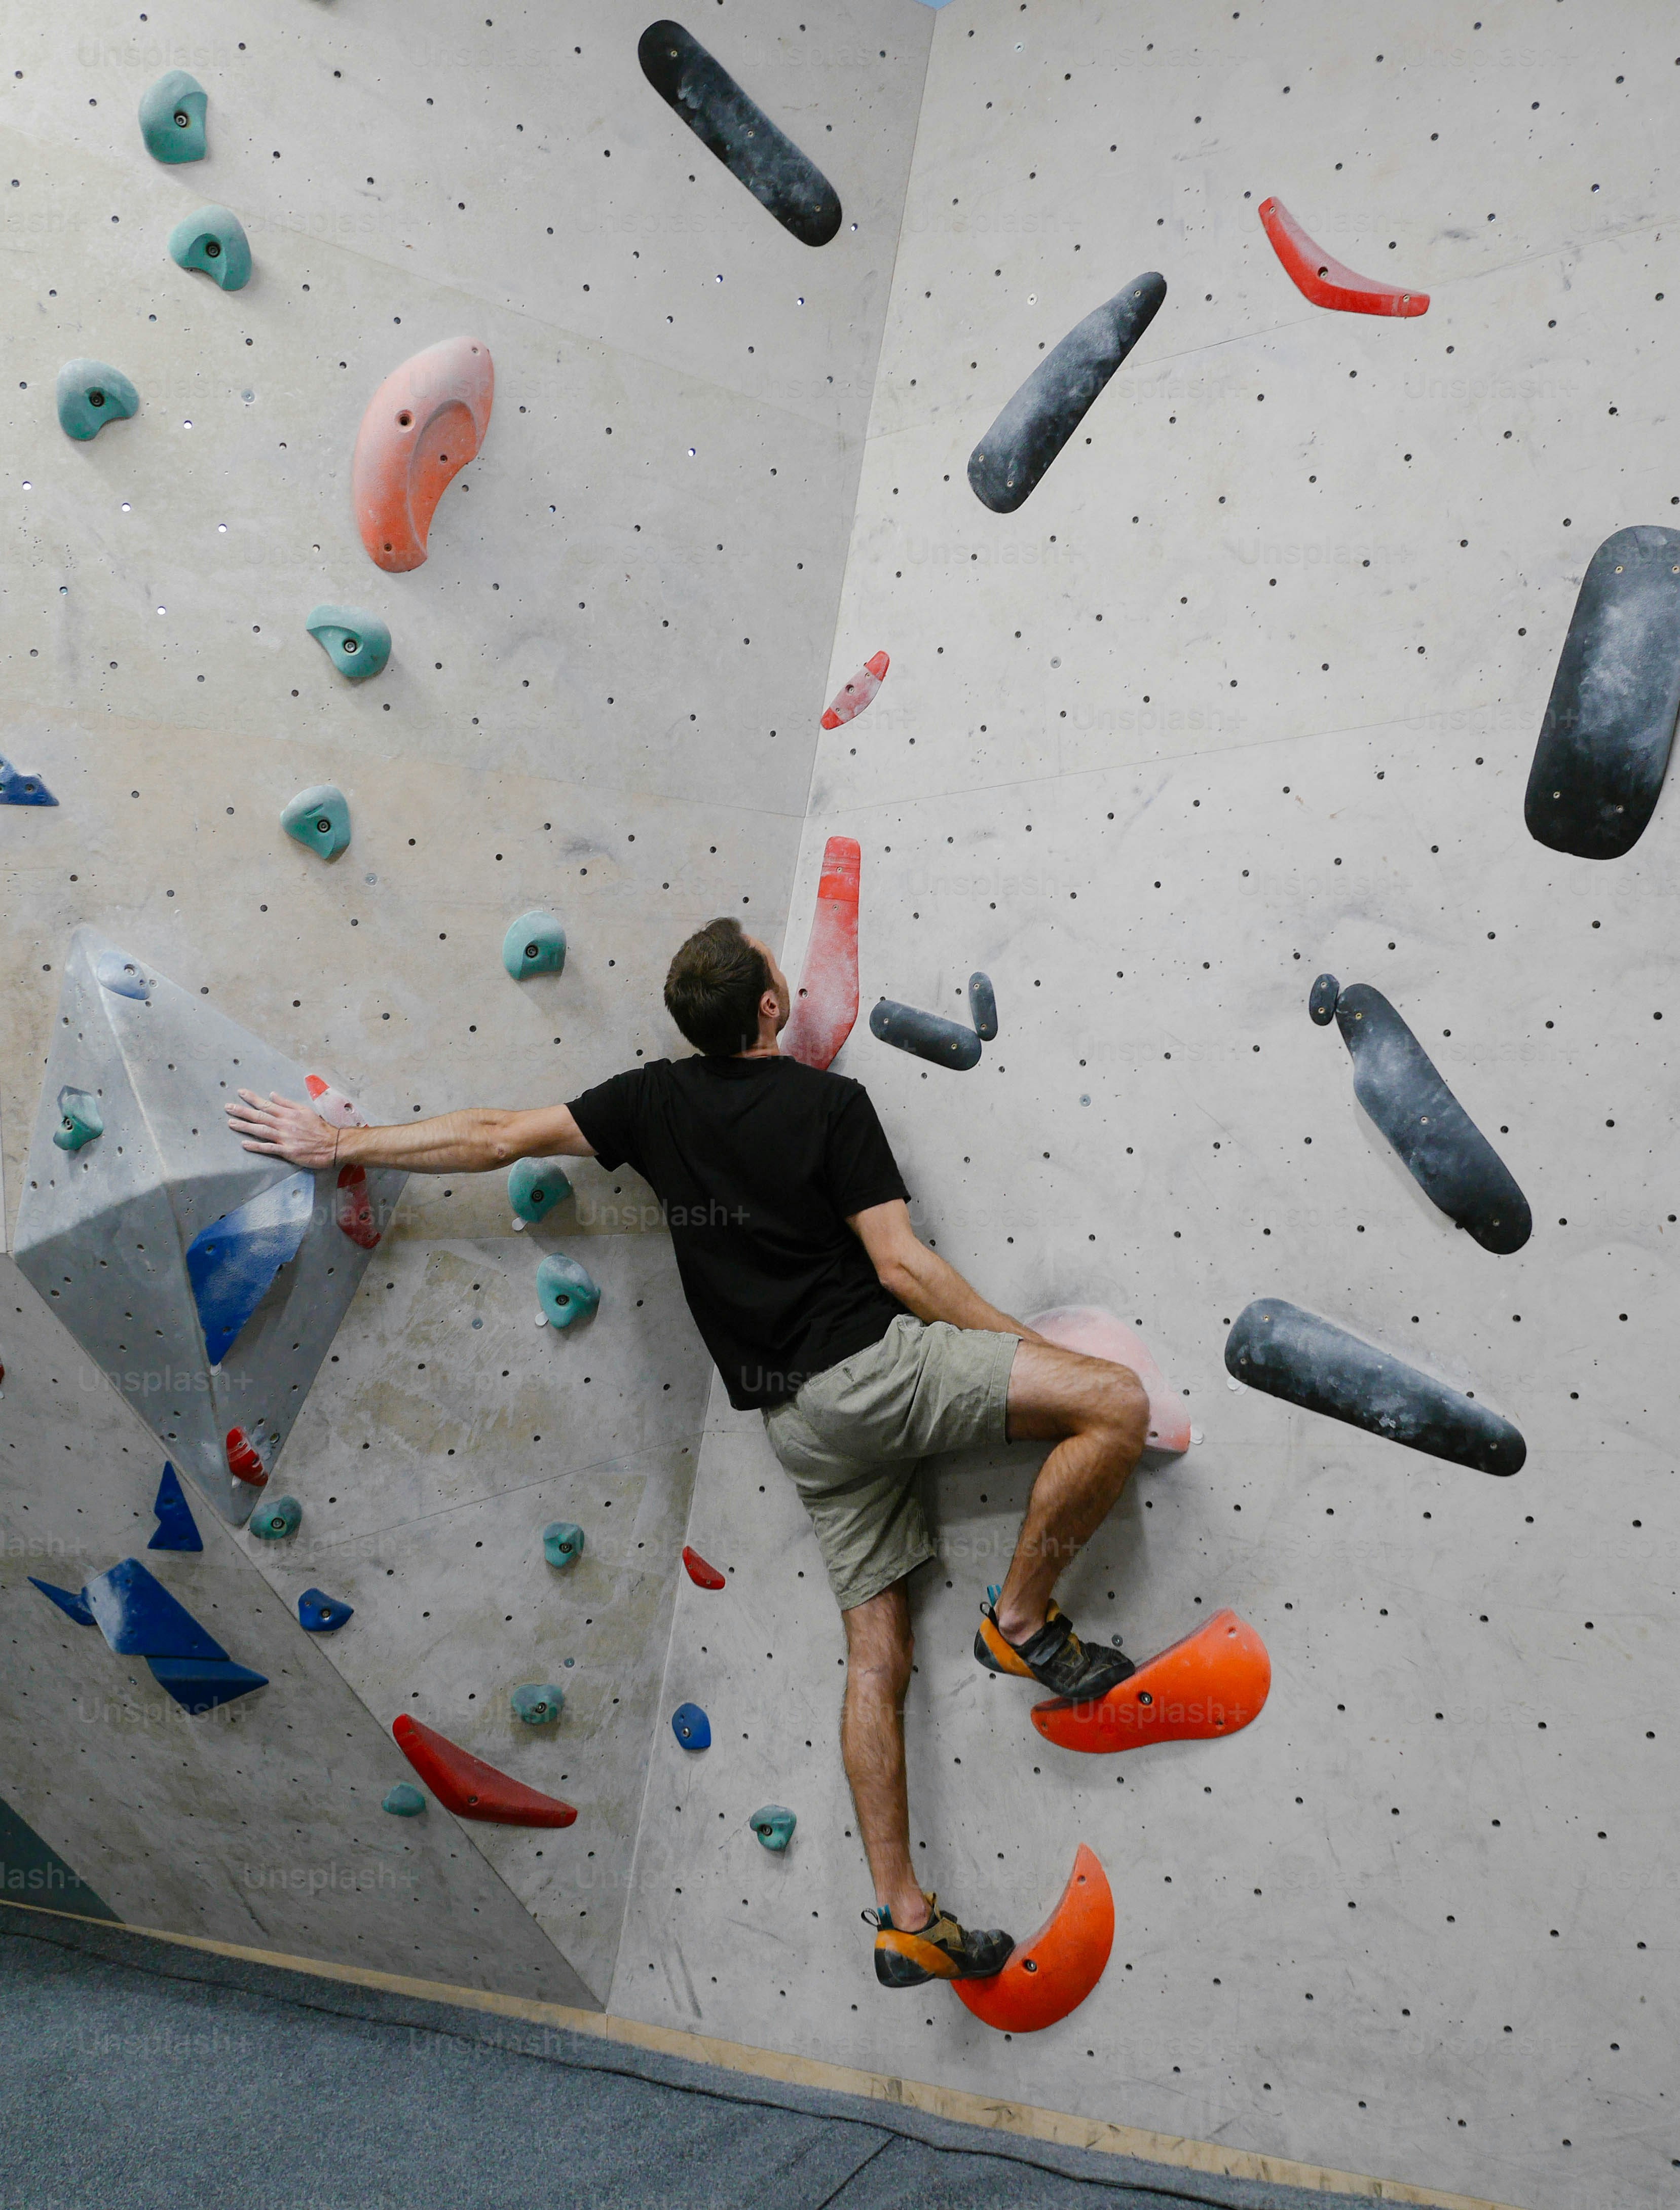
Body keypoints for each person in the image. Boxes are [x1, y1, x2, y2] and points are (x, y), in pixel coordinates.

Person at [227, 916, 1150, 1991]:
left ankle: (906, 1914)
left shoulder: (652, 1101)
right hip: (873, 1374)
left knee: (874, 1655)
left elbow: (491, 1135)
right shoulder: (829, 1105)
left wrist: (343, 1142)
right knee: (1115, 1406)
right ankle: (1025, 1619)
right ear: (768, 1006)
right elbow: (903, 1269)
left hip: (798, 1425)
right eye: (775, 967)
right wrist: (1035, 1352)